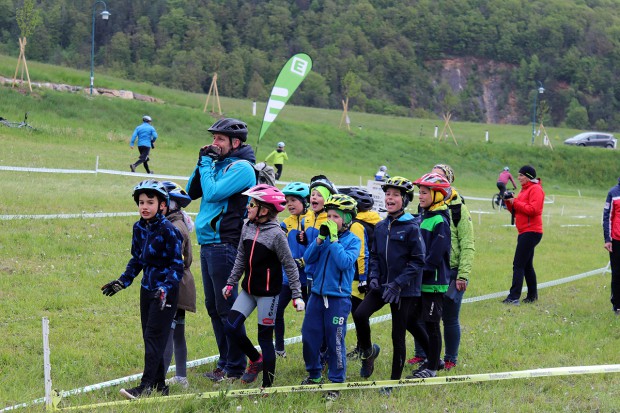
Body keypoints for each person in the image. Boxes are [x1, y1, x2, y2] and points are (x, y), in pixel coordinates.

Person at [186, 117, 256, 381]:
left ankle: (236, 367)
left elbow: (213, 193)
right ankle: (226, 361)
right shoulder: (218, 163)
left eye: (219, 139)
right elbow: (193, 191)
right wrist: (201, 161)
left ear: (234, 142)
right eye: (213, 138)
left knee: (227, 309)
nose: (213, 143)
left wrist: (207, 164)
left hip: (225, 243)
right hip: (208, 243)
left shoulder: (242, 168)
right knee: (214, 307)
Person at [101, 180, 184, 399]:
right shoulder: (138, 228)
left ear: (162, 205)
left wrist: (166, 288)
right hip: (147, 289)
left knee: (154, 337)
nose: (144, 206)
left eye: (150, 202)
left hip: (165, 292)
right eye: (141, 202)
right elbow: (137, 260)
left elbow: (178, 266)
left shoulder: (169, 231)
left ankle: (145, 386)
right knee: (149, 337)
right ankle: (159, 386)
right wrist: (122, 282)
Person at [222, 184, 305, 388]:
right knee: (230, 326)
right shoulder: (247, 226)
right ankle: (255, 360)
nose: (247, 208)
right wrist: (231, 282)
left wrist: (297, 295)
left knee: (265, 339)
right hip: (248, 290)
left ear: (264, 210)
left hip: (268, 294)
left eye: (252, 204)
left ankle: (268, 386)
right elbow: (241, 256)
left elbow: (290, 265)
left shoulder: (276, 234)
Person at [352, 177, 426, 396]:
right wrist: (374, 276)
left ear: (404, 199)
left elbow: (418, 261)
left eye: (395, 195)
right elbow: (374, 255)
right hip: (382, 285)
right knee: (359, 314)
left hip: (404, 289)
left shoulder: (412, 226)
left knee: (398, 334)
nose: (390, 198)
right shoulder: (382, 226)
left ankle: (394, 381)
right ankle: (368, 353)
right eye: (388, 194)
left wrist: (397, 284)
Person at [407, 165, 475, 371]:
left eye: (440, 175)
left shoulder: (457, 208)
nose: (434, 176)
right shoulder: (427, 206)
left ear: (447, 182)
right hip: (427, 271)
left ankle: (450, 358)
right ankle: (422, 354)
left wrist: (462, 274)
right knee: (423, 315)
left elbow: (468, 242)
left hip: (451, 271)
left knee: (448, 317)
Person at [301, 194, 361, 401]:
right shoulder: (324, 237)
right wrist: (319, 240)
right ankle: (314, 374)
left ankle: (336, 381)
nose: (331, 220)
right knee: (309, 336)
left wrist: (334, 240)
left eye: (336, 216)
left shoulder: (354, 240)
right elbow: (308, 258)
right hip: (317, 295)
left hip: (338, 299)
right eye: (329, 215)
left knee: (335, 340)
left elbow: (345, 263)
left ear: (347, 219)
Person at [406, 173, 452, 379]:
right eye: (419, 192)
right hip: (419, 280)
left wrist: (415, 270)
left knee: (432, 325)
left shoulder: (440, 220)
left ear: (437, 195)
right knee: (410, 320)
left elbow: (434, 256)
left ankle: (432, 367)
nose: (420, 196)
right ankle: (435, 358)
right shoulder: (422, 217)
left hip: (433, 282)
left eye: (424, 193)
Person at [160, 181, 196, 389]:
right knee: (178, 332)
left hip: (175, 285)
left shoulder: (174, 228)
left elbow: (174, 261)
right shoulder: (178, 222)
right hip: (182, 284)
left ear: (169, 204)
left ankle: (158, 380)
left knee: (167, 333)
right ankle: (181, 377)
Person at [338, 187, 381, 360]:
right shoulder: (373, 220)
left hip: (358, 275)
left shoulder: (356, 224)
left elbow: (361, 252)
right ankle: (362, 347)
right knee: (359, 315)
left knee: (358, 315)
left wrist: (362, 278)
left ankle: (364, 349)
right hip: (370, 273)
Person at [275, 181, 312, 358]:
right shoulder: (285, 223)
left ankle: (312, 349)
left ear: (305, 201)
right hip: (287, 278)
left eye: (293, 200)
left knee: (311, 317)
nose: (289, 204)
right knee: (276, 311)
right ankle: (279, 349)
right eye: (287, 200)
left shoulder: (312, 219)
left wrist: (304, 261)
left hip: (308, 278)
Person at [502, 165, 544, 305]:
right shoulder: (524, 189)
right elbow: (517, 210)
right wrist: (508, 202)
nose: (518, 178)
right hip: (525, 231)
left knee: (518, 264)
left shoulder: (536, 190)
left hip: (531, 231)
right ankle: (532, 296)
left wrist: (516, 202)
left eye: (521, 175)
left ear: (528, 176)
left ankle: (513, 297)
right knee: (527, 266)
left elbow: (533, 210)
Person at [603, 177, 620, 315]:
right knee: (617, 273)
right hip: (616, 240)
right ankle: (617, 305)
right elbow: (607, 217)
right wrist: (608, 239)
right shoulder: (613, 193)